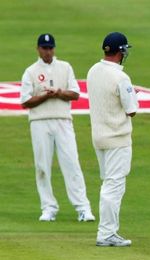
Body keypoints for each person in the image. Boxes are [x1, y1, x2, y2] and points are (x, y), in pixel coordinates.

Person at [20, 33, 95, 222]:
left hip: (63, 120)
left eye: (51, 48)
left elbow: (75, 94)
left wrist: (59, 92)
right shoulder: (30, 71)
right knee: (42, 166)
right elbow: (26, 101)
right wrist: (46, 96)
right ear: (38, 49)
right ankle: (48, 208)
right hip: (39, 122)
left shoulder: (65, 67)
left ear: (54, 48)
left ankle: (83, 208)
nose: (48, 51)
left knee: (71, 163)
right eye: (44, 48)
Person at [87, 32, 138, 247]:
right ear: (121, 51)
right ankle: (107, 233)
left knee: (109, 183)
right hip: (117, 138)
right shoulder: (121, 77)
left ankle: (108, 231)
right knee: (113, 186)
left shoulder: (92, 71)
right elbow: (132, 110)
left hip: (99, 137)